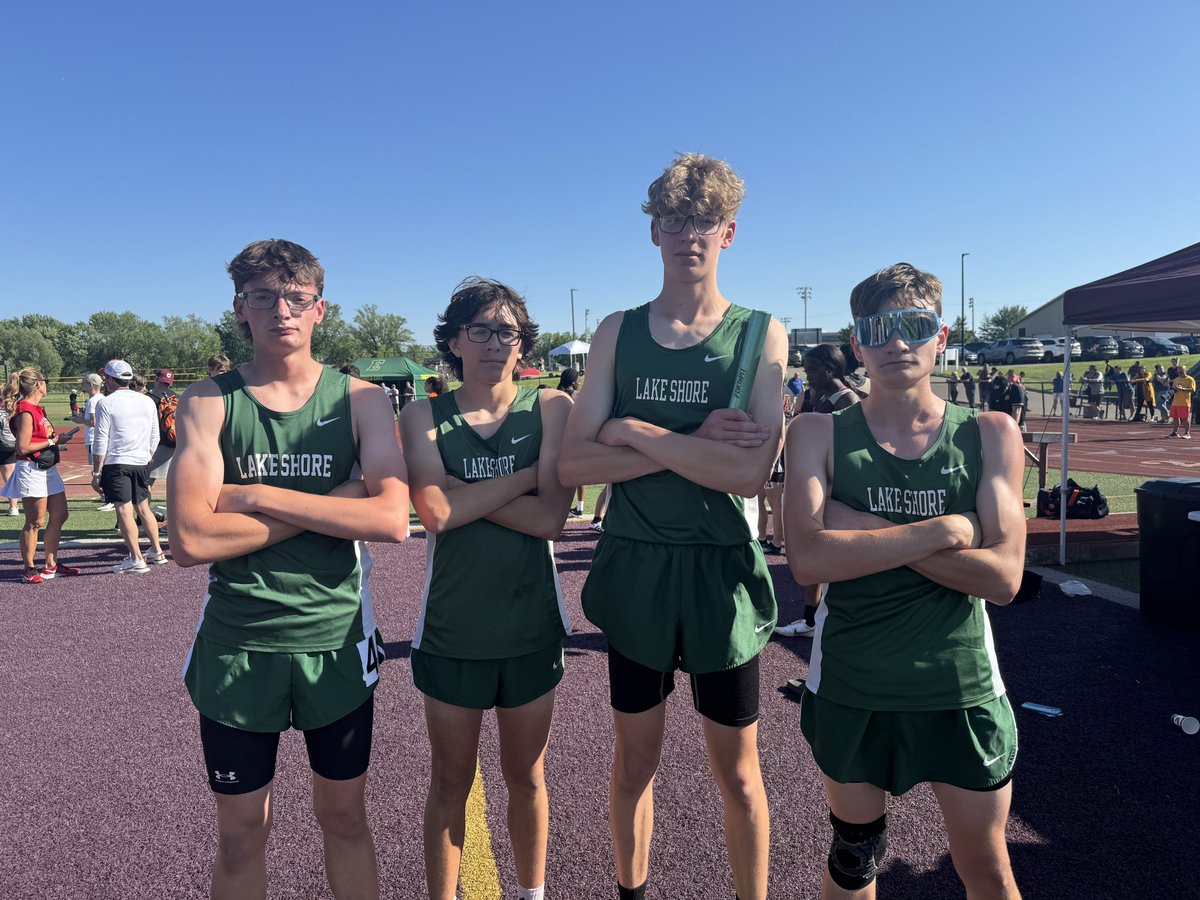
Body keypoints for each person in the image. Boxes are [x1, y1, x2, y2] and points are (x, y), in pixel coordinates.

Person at [559, 153, 786, 900]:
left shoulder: (762, 334)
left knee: (740, 774)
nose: (690, 233)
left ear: (729, 233)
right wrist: (694, 444)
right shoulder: (617, 332)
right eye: (675, 218)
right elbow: (574, 463)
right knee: (635, 763)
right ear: (653, 230)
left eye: (705, 220)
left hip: (722, 570)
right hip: (638, 566)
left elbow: (748, 474)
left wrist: (633, 429)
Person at [171, 239, 409, 899]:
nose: (282, 310)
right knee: (241, 835)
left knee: (346, 819)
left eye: (297, 298)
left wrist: (255, 496)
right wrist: (336, 503)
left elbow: (392, 518)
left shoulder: (361, 400)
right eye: (264, 296)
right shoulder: (207, 401)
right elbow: (189, 538)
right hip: (238, 648)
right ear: (239, 307)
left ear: (319, 309)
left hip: (336, 641)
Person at [785, 262, 1025, 900]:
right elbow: (807, 561)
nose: (896, 342)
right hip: (852, 681)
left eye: (914, 326)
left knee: (987, 866)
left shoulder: (989, 432)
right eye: (877, 329)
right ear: (857, 343)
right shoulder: (816, 431)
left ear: (940, 337)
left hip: (960, 683)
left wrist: (858, 527)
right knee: (854, 859)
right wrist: (946, 529)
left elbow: (1004, 578)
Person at [401, 277, 573, 900]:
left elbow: (550, 519)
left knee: (527, 778)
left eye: (507, 331)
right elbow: (434, 513)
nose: (495, 343)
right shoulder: (420, 414)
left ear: (522, 341)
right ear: (454, 341)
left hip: (532, 626)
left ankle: (532, 894)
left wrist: (462, 493)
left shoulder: (552, 407)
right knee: (449, 781)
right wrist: (526, 477)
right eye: (480, 330)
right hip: (452, 629)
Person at [776, 343, 861, 639]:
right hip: (817, 484)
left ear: (830, 369)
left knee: (833, 559)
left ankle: (834, 623)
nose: (808, 376)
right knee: (811, 554)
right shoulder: (821, 396)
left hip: (838, 491)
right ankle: (810, 620)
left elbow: (850, 451)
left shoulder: (847, 400)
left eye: (812, 371)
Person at [1, 368, 81, 583]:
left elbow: (41, 439)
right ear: (37, 384)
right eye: (45, 380)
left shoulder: (36, 409)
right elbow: (22, 447)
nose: (47, 384)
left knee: (60, 514)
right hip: (31, 469)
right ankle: (28, 568)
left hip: (46, 468)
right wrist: (51, 442)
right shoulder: (26, 410)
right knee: (35, 521)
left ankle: (51, 563)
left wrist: (56, 442)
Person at [92, 359, 168, 573]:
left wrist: (97, 472)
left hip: (117, 463)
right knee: (143, 507)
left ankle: (136, 558)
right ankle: (157, 551)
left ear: (110, 380)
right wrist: (146, 456)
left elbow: (101, 440)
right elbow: (155, 435)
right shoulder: (146, 401)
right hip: (141, 461)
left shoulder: (106, 403)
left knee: (123, 510)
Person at [556, 368, 588, 516]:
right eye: (578, 379)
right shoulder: (578, 396)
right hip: (576, 439)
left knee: (559, 476)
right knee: (579, 475)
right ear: (573, 381)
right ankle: (580, 507)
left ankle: (560, 507)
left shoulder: (557, 395)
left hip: (558, 439)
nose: (579, 382)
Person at [146, 368, 178, 489]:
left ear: (156, 380)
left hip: (156, 444)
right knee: (175, 481)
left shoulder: (149, 397)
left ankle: (145, 502)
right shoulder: (178, 397)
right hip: (175, 442)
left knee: (146, 482)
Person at [0, 383, 20, 516]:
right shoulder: (12, 408)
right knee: (9, 477)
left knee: (9, 476)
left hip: (4, 444)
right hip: (10, 444)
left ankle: (13, 507)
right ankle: (13, 507)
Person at [1169, 366, 1196, 439]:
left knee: (1185, 418)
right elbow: (1173, 388)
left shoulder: (1190, 379)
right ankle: (1175, 433)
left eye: (1181, 372)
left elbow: (1193, 390)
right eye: (1178, 372)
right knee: (1175, 418)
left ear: (1185, 371)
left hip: (1184, 402)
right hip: (1175, 402)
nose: (1179, 374)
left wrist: (1182, 389)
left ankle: (1187, 433)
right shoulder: (1176, 379)